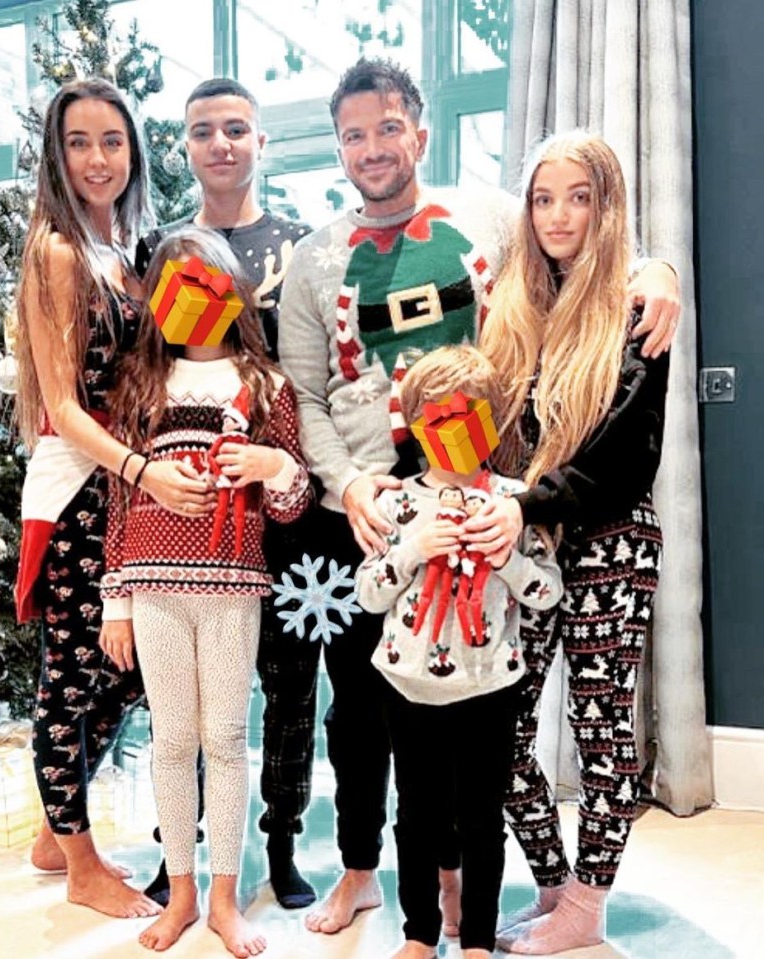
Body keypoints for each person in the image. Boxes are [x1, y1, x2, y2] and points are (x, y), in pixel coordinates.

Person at [276, 57, 680, 936]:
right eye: (353, 134)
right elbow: (301, 392)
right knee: (409, 713)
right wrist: (347, 486)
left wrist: (659, 273)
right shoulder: (315, 259)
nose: (373, 148)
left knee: (545, 715)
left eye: (389, 128)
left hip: (519, 517)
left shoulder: (493, 219)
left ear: (419, 132)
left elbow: (592, 246)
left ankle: (550, 895)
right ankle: (416, 876)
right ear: (336, 146)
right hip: (400, 511)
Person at [462, 131, 671, 955]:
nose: (557, 215)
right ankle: (555, 885)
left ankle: (588, 906)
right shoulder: (514, 310)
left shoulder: (635, 305)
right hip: (531, 543)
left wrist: (529, 502)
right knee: (503, 728)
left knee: (601, 726)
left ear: (605, 206)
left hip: (611, 542)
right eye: (543, 197)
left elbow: (628, 454)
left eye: (577, 196)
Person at [98, 226, 313, 956]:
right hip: (155, 587)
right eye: (177, 285)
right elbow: (117, 499)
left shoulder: (265, 385)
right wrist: (116, 598)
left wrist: (273, 467)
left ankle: (224, 894)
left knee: (223, 739)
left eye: (206, 283)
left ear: (231, 293)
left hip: (230, 586)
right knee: (171, 741)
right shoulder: (139, 383)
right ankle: (182, 890)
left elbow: (292, 501)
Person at [136, 78, 319, 910]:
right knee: (179, 716)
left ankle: (277, 842)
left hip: (272, 490)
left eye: (236, 129)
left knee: (281, 694)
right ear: (185, 146)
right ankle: (179, 855)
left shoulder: (299, 244)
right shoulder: (162, 249)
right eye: (203, 131)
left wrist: (283, 467)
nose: (220, 144)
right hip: (174, 526)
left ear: (259, 141)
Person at [13, 77, 189, 919]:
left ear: (133, 150)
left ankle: (56, 831)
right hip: (86, 481)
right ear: (58, 153)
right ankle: (80, 865)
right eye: (78, 142)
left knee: (123, 674)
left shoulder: (130, 248)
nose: (96, 158)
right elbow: (63, 405)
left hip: (124, 481)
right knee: (73, 678)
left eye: (111, 141)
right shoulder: (56, 253)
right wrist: (144, 470)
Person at [355, 345, 563, 959]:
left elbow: (546, 592)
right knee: (416, 816)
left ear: (491, 419)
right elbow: (368, 594)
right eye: (436, 417)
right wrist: (413, 547)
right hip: (406, 684)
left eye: (466, 416)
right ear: (415, 424)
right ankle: (419, 934)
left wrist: (507, 558)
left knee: (480, 820)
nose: (450, 430)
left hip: (489, 687)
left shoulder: (514, 501)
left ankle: (476, 940)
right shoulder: (394, 503)